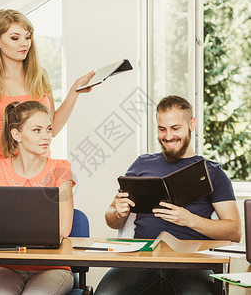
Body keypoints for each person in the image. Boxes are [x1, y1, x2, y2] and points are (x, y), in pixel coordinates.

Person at [94, 95, 242, 295]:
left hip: (191, 263)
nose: (168, 136)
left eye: (175, 128)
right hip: (142, 259)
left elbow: (234, 230)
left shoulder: (212, 172)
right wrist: (117, 213)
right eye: (162, 129)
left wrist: (189, 220)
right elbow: (112, 217)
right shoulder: (141, 164)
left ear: (192, 124)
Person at [0, 9, 94, 184]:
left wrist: (74, 92)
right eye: (15, 38)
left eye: (27, 37)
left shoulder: (40, 75)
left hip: (39, 170)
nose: (24, 43)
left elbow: (52, 128)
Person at [0, 100, 74, 295]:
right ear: (17, 134)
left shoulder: (62, 169)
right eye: (37, 130)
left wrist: (8, 230)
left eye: (48, 129)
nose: (46, 137)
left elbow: (64, 228)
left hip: (53, 267)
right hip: (6, 266)